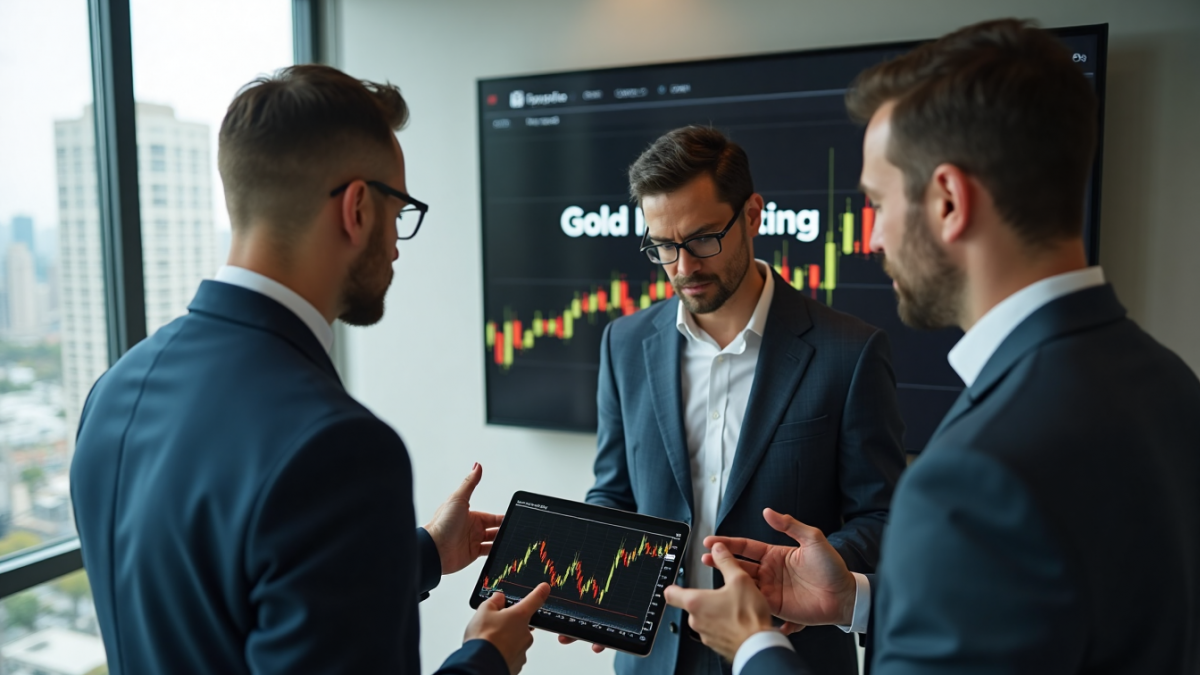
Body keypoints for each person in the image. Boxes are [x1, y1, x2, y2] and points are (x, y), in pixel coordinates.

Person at [663, 18, 1200, 675]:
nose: (875, 237)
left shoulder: (973, 472)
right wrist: (855, 598)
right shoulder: (1171, 384)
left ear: (948, 200)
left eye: (878, 202)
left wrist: (754, 644)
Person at [70, 65, 550, 675]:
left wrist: (424, 551)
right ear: (356, 207)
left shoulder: (115, 389)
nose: (400, 242)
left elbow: (232, 595)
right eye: (398, 208)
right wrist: (486, 657)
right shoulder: (341, 447)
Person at [580, 126, 907, 675]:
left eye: (703, 239)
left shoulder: (850, 352)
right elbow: (612, 493)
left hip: (792, 653)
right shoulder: (625, 343)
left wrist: (809, 571)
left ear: (752, 215)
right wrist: (595, 578)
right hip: (652, 661)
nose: (683, 268)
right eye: (662, 246)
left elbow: (883, 517)